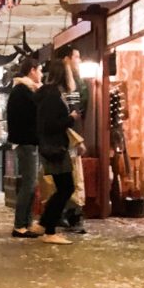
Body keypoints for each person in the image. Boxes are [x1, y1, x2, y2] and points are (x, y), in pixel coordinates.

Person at [35, 58, 78, 245]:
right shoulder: (53, 96)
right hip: (55, 147)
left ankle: (44, 224)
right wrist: (70, 118)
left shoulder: (46, 93)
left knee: (64, 187)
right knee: (66, 187)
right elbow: (51, 124)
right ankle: (49, 228)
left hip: (51, 146)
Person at [6, 57, 43, 238]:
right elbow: (31, 117)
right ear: (32, 70)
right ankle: (20, 225)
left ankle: (25, 223)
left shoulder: (22, 90)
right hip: (27, 144)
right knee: (28, 185)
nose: (41, 74)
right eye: (40, 70)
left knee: (30, 184)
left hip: (26, 143)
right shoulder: (23, 91)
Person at [56, 45, 88, 234]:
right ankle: (69, 214)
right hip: (63, 138)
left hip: (72, 137)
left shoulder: (78, 83)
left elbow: (79, 108)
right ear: (67, 59)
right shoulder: (58, 85)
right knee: (69, 178)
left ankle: (71, 214)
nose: (79, 60)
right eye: (76, 56)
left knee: (74, 177)